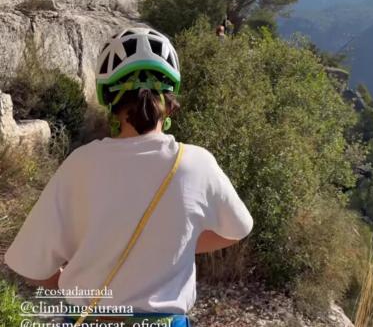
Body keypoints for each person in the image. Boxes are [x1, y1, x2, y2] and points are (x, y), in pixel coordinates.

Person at [5, 27, 253, 326]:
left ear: (109, 100)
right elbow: (236, 229)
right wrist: (175, 243)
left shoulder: (80, 164)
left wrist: (71, 284)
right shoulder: (197, 163)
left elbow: (31, 265)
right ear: (171, 100)